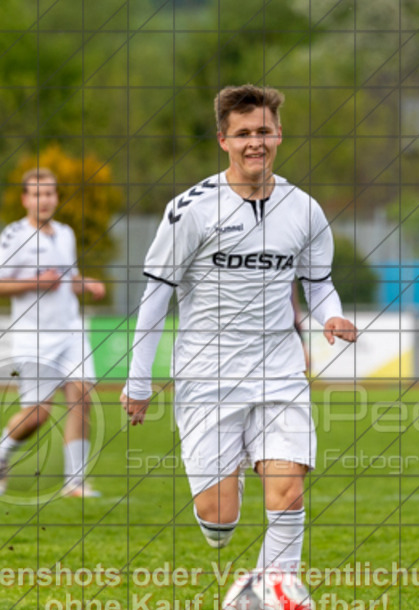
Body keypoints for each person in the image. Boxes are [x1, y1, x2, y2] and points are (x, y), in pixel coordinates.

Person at [121, 85, 357, 574]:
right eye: (243, 133)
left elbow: (318, 283)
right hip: (206, 374)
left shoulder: (304, 208)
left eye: (264, 132)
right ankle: (229, 482)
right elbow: (156, 296)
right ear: (223, 140)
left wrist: (330, 315)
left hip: (280, 370)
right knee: (219, 519)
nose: (255, 143)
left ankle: (273, 597)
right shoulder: (191, 209)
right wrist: (139, 382)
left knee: (287, 493)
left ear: (279, 135)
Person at [0, 168, 106, 498]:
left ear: (57, 196)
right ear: (25, 199)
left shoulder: (65, 233)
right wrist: (36, 282)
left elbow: (67, 279)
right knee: (38, 414)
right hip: (34, 336)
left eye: (50, 193)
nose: (45, 200)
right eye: (37, 194)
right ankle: (0, 456)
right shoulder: (14, 234)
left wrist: (86, 283)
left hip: (71, 330)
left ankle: (75, 483)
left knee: (82, 398)